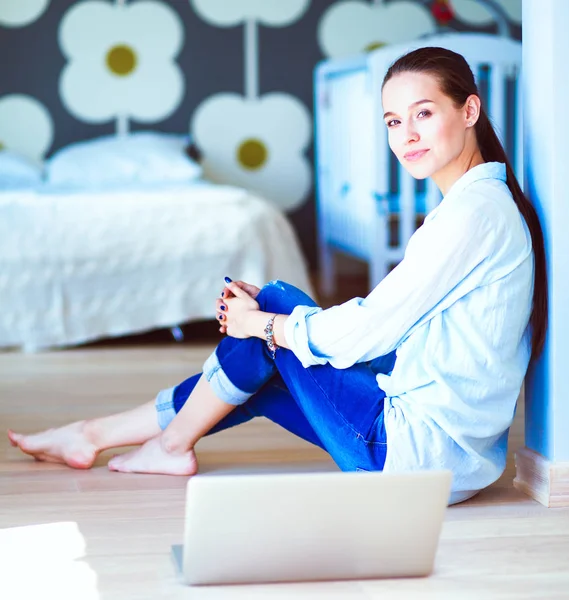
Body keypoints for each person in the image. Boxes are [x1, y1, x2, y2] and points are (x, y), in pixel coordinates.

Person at [8, 47, 547, 505]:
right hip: (451, 458)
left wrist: (260, 324)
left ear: (469, 109)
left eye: (423, 114)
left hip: (413, 457)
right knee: (261, 351)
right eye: (393, 121)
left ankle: (145, 442)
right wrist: (262, 323)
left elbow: (367, 332)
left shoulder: (475, 215)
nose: (406, 134)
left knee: (271, 320)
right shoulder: (480, 206)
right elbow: (389, 334)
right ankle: (109, 437)